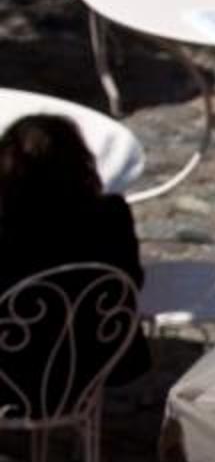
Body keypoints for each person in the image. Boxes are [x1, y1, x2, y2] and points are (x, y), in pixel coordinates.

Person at [0, 111, 148, 393]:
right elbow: (132, 281)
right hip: (95, 362)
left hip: (14, 379)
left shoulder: (7, 231)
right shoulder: (112, 215)